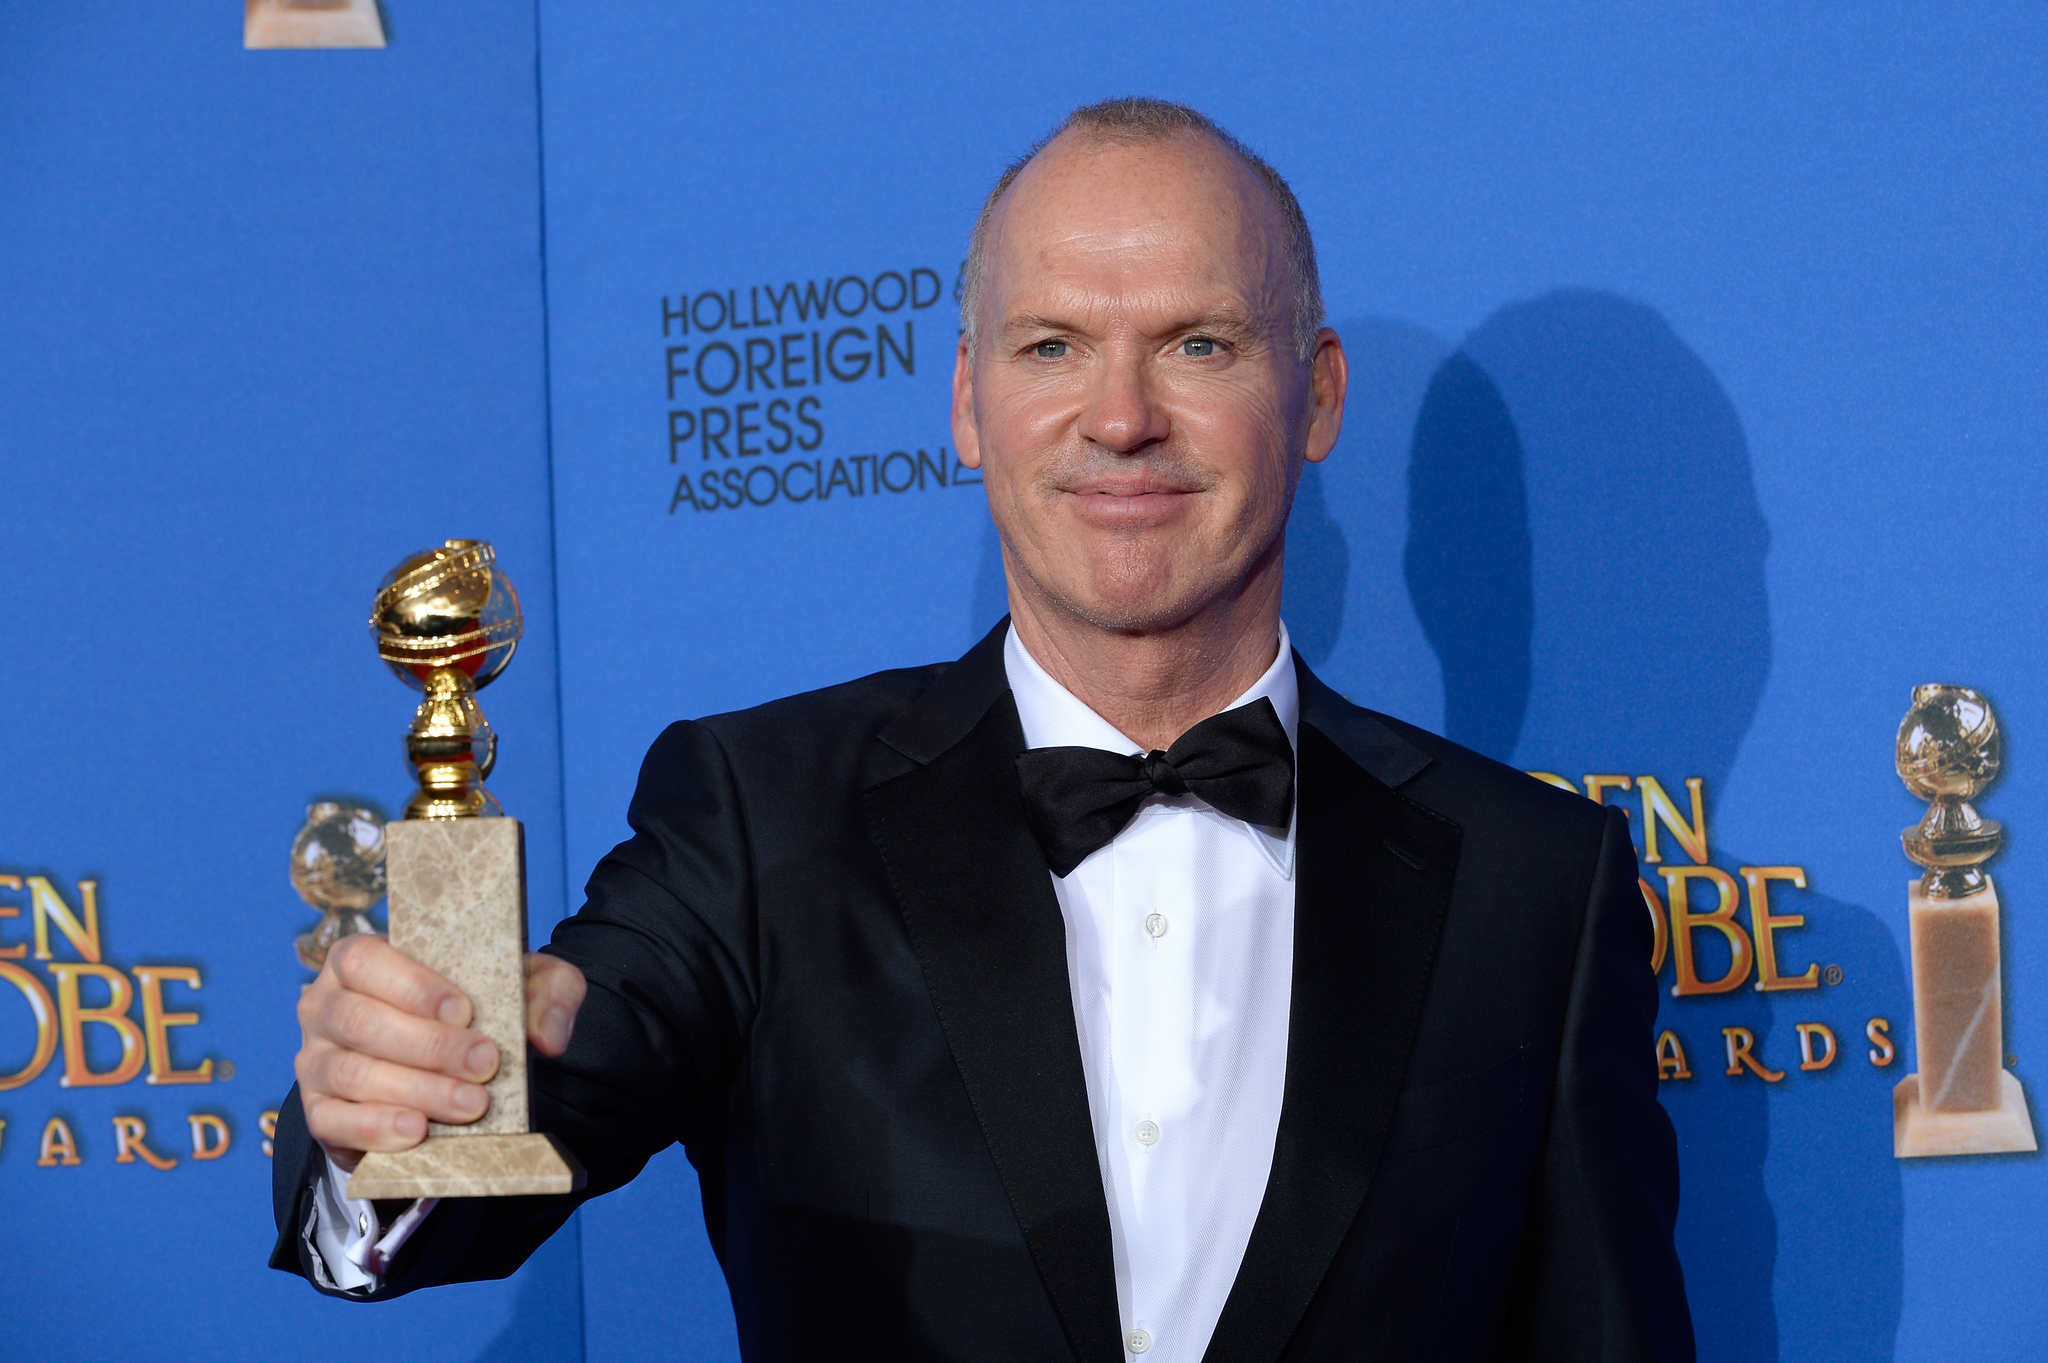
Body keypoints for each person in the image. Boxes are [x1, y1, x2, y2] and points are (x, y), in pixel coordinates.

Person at [272, 97, 1694, 1362]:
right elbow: (461, 1186)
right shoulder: (759, 816)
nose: (1122, 417)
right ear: (968, 402)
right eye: (1052, 345)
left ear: (1313, 396)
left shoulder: (1536, 885)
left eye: (1198, 343)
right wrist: (392, 1110)